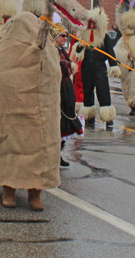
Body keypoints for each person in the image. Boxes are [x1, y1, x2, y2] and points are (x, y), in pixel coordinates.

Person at [51, 24, 83, 167]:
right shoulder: (50, 51)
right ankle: (53, 155)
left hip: (66, 90)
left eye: (66, 36)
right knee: (57, 124)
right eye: (62, 35)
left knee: (66, 124)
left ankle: (59, 154)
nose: (65, 38)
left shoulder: (63, 51)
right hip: (56, 90)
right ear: (55, 37)